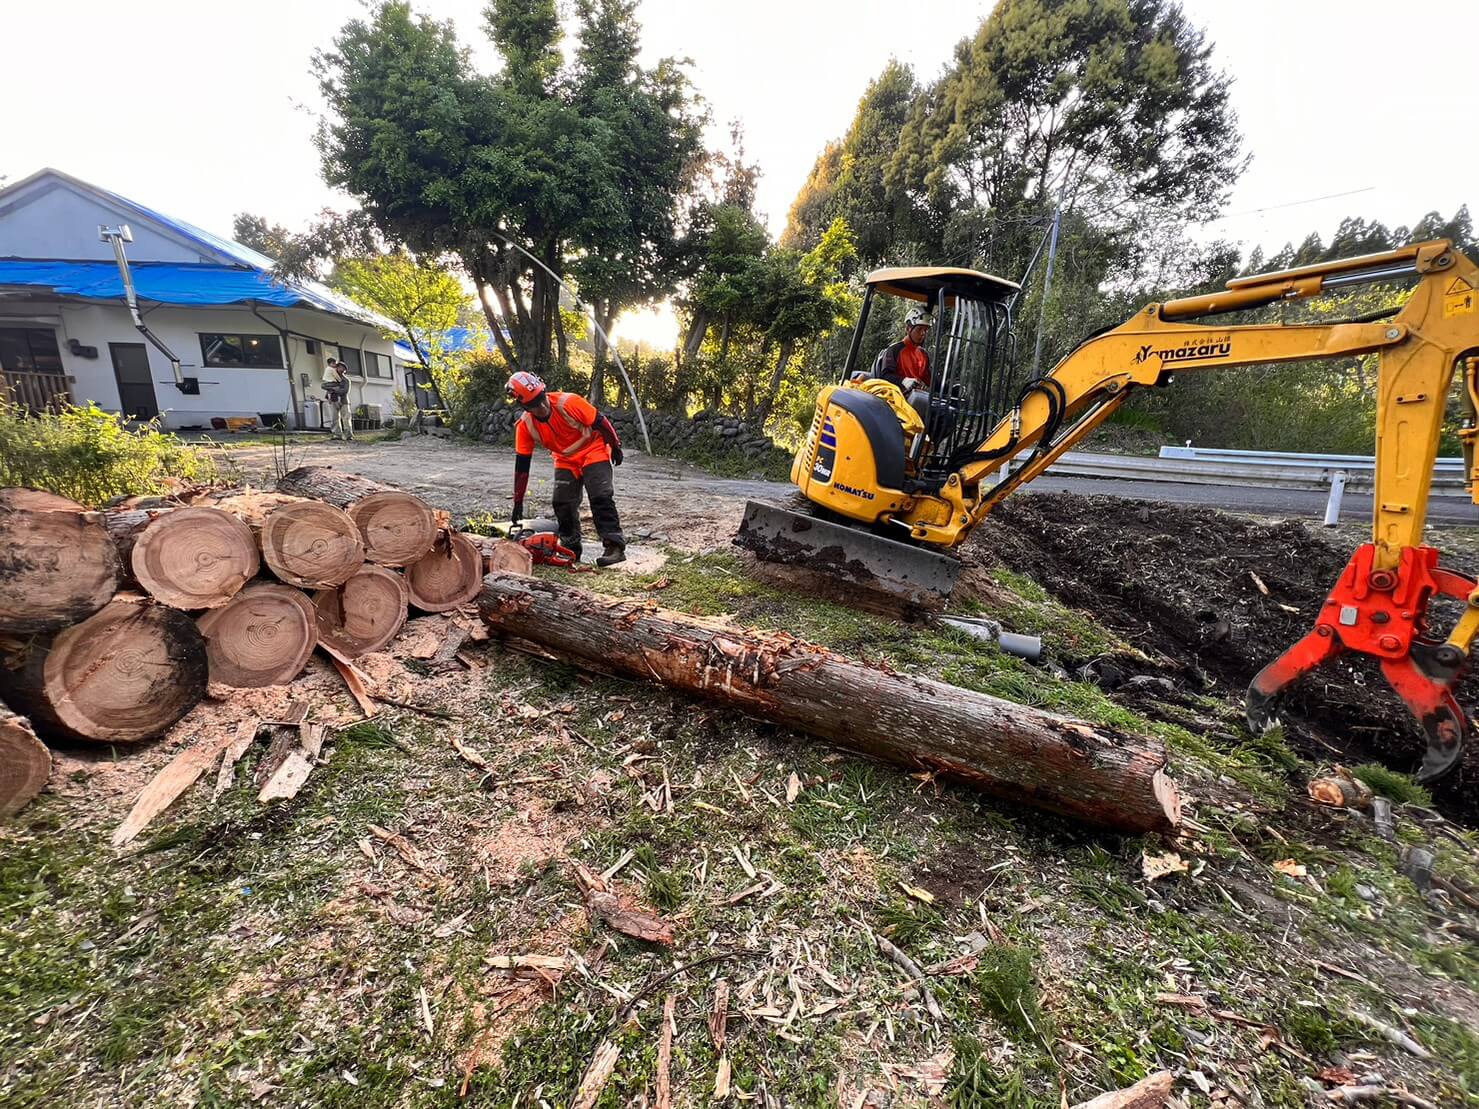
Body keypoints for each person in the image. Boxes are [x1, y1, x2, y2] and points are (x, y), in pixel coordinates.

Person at [507, 370, 627, 566]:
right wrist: (518, 501)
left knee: (600, 495)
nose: (542, 406)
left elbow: (600, 421)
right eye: (535, 404)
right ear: (524, 406)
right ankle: (570, 548)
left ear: (543, 390)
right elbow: (522, 466)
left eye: (541, 398)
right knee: (562, 502)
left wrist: (615, 445)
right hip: (565, 459)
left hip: (593, 449)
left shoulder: (569, 402)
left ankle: (614, 546)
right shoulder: (525, 426)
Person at [874, 308, 933, 419]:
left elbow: (930, 379)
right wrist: (904, 381)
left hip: (916, 401)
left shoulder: (923, 354)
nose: (923, 334)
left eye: (925, 330)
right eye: (919, 329)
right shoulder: (894, 350)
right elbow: (885, 376)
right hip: (895, 403)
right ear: (908, 329)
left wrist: (949, 387)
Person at [324, 359, 354, 441]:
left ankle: (348, 435)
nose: (341, 369)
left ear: (345, 370)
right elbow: (324, 386)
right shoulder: (331, 378)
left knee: (346, 418)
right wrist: (334, 389)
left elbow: (345, 391)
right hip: (333, 400)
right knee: (334, 418)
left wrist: (334, 389)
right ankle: (337, 435)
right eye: (339, 367)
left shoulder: (346, 380)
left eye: (343, 368)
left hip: (344, 401)